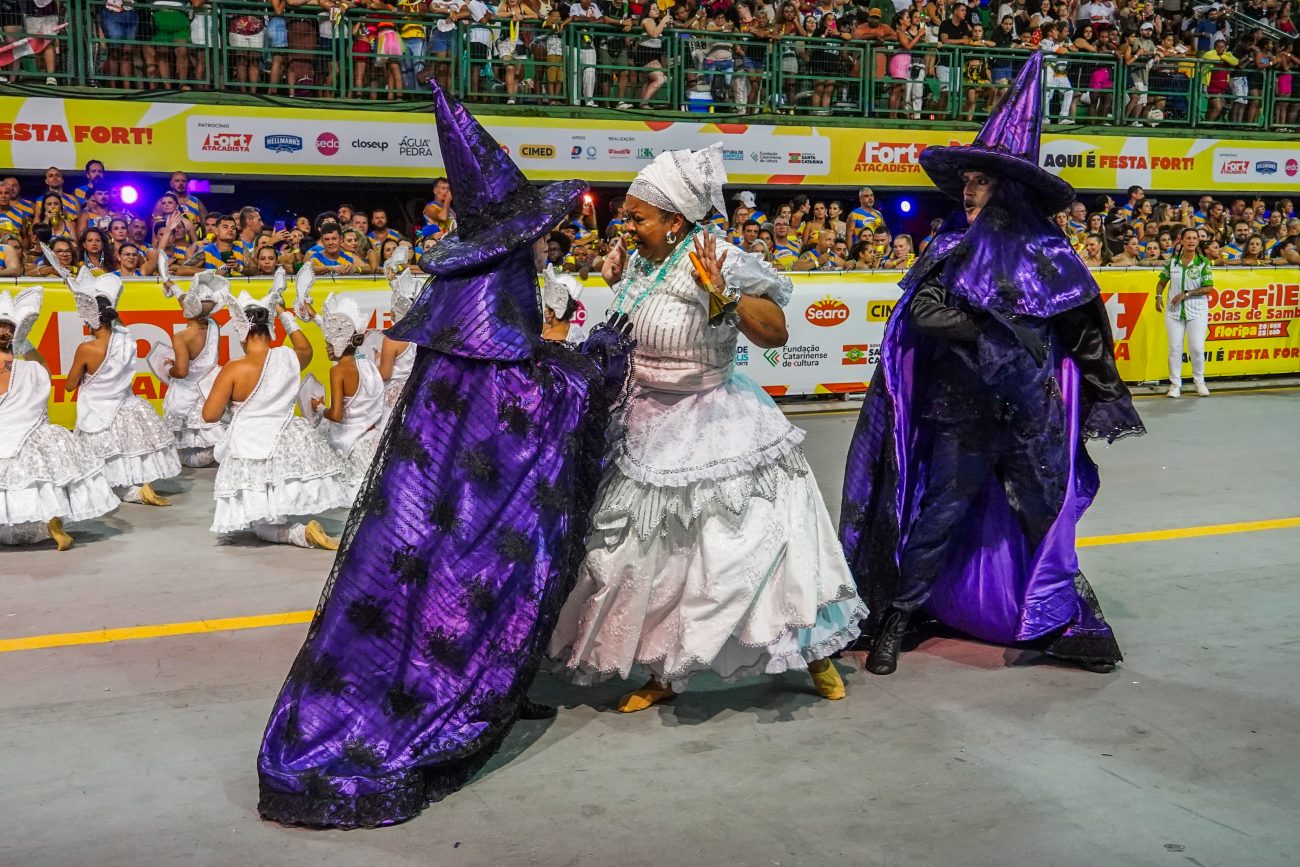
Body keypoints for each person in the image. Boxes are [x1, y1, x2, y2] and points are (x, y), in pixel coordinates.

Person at [257, 80, 628, 829]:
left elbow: (511, 368)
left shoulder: (471, 293)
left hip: (442, 480)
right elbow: (519, 389)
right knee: (451, 583)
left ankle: (471, 680)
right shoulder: (490, 290)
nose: (541, 246)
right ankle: (444, 695)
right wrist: (593, 366)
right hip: (465, 492)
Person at [840, 54, 1144, 677]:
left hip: (1033, 414)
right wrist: (989, 321)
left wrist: (1106, 394)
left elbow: (1085, 332)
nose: (968, 191)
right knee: (939, 514)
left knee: (1043, 516)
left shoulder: (1051, 255)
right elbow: (921, 314)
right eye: (969, 181)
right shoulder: (949, 248)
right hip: (962, 411)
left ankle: (1068, 623)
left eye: (980, 181)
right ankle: (897, 620)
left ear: (1007, 188)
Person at [548, 144, 865, 712]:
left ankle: (814, 654)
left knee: (756, 552)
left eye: (638, 217)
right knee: (646, 559)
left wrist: (724, 294)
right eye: (626, 215)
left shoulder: (720, 255)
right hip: (644, 420)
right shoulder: (640, 260)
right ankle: (665, 670)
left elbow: (775, 332)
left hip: (717, 420)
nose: (627, 225)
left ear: (675, 220)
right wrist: (614, 281)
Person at [202, 286, 349, 549]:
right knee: (270, 506)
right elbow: (306, 347)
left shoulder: (235, 368)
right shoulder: (288, 357)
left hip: (249, 444)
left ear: (242, 330)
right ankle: (294, 529)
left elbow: (210, 415)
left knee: (259, 524)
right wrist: (283, 312)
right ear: (269, 327)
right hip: (287, 437)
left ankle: (298, 534)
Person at [0, 288, 120, 550]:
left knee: (10, 533)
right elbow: (45, 378)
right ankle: (49, 521)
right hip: (30, 437)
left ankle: (38, 525)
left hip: (6, 442)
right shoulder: (30, 368)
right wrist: (23, 343)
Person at [59, 262, 182, 507]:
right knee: (122, 458)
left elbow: (70, 386)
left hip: (96, 410)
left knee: (99, 467)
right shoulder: (127, 339)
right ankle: (134, 490)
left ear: (91, 318)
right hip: (124, 405)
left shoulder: (87, 347)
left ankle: (122, 491)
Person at [314, 292, 384, 501]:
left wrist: (319, 407)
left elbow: (335, 415)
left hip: (350, 440)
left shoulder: (338, 371)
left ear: (339, 343)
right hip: (372, 437)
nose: (326, 347)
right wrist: (316, 316)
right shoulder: (366, 362)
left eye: (328, 342)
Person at [160, 268, 229, 467]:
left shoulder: (183, 336)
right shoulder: (214, 325)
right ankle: (215, 452)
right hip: (209, 387)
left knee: (180, 451)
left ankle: (196, 458)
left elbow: (182, 372)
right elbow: (185, 300)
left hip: (187, 390)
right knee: (210, 431)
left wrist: (168, 370)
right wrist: (172, 286)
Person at [1155, 227, 1214, 398]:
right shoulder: (1172, 262)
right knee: (1174, 348)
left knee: (1196, 347)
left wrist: (1187, 294)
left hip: (1197, 310)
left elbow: (1208, 287)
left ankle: (1199, 381)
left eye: (1194, 238)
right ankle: (1175, 385)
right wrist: (1158, 296)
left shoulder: (1203, 262)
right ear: (1181, 240)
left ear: (1198, 241)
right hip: (1174, 312)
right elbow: (1161, 282)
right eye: (1188, 238)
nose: (1191, 241)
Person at [376, 245, 420, 425]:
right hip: (415, 392)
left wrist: (370, 368)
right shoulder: (421, 334)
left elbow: (385, 374)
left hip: (394, 395)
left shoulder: (392, 339)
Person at [540, 264, 586, 344]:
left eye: (546, 306)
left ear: (550, 313)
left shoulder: (550, 337)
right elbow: (544, 326)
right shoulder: (574, 329)